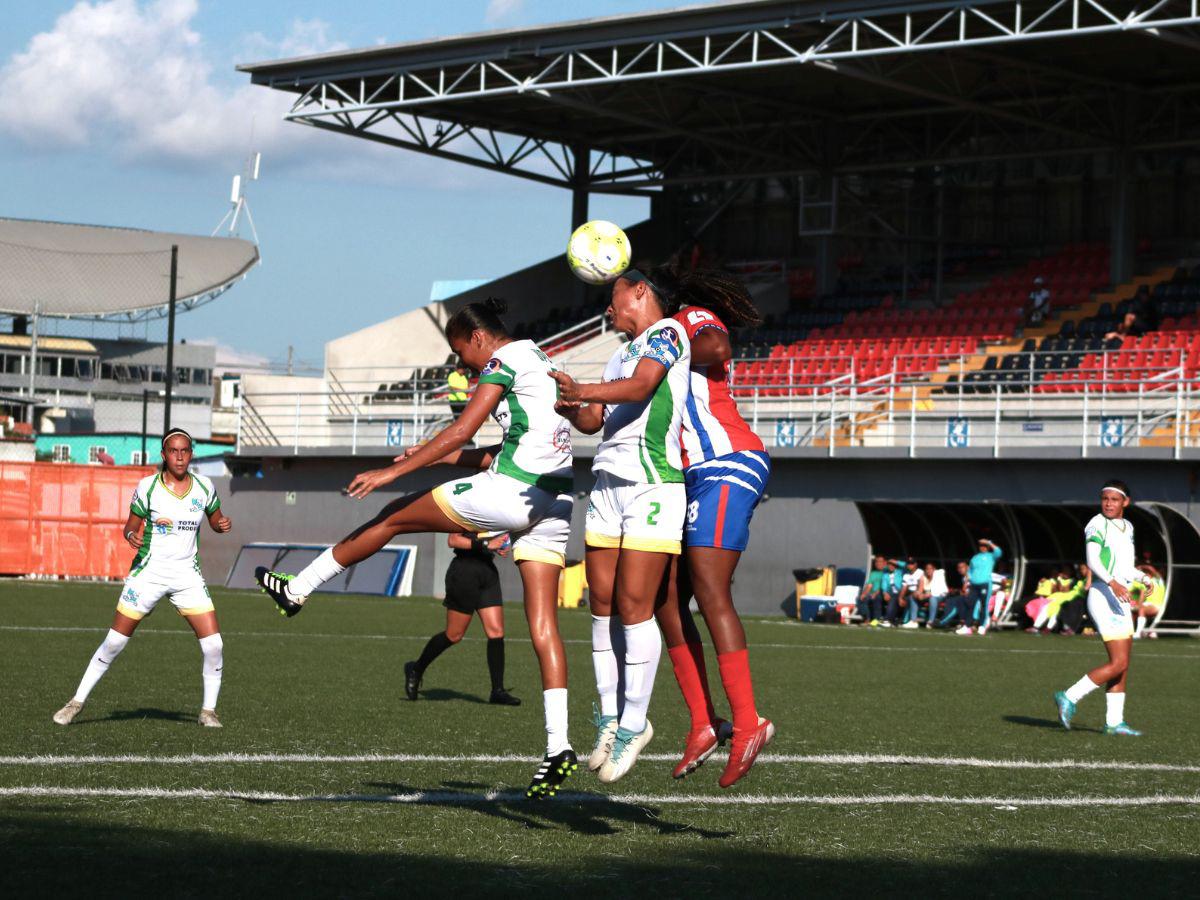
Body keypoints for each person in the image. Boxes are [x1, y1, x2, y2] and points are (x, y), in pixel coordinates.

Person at [255, 297, 579, 799]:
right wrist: (443, 459)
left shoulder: (502, 360)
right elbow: (500, 447)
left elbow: (462, 428)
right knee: (543, 625)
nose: (464, 367)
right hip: (555, 499)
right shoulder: (541, 357)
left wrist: (395, 471)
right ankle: (558, 747)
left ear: (478, 337)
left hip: (513, 492)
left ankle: (297, 589)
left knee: (392, 515)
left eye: (462, 354)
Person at [550, 266, 694, 785]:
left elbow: (642, 386)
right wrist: (573, 405)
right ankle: (610, 720)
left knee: (635, 605)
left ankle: (636, 723)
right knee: (602, 603)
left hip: (652, 484)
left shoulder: (669, 332)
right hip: (607, 484)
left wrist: (587, 387)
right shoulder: (618, 353)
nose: (608, 308)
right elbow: (597, 420)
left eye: (614, 296)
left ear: (640, 291)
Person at [644, 265, 775, 788]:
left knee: (710, 588)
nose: (610, 309)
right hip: (689, 474)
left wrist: (667, 354)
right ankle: (704, 722)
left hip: (726, 461)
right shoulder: (648, 346)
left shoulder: (687, 319)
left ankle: (749, 723)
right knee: (665, 598)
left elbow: (718, 347)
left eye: (620, 297)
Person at [52, 429, 231, 727]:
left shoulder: (204, 486)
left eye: (185, 451)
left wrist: (221, 523)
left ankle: (208, 711)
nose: (179, 456)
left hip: (187, 576)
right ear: (164, 455)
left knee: (214, 645)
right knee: (114, 641)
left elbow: (215, 519)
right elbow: (130, 527)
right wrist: (131, 536)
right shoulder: (148, 487)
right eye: (173, 451)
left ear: (191, 454)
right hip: (149, 574)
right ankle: (76, 702)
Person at [1055, 479, 1149, 735]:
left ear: (1125, 502)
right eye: (1105, 498)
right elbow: (1093, 560)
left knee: (1123, 664)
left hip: (1119, 597)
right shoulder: (1096, 523)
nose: (1108, 503)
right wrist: (1112, 582)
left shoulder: (1128, 527)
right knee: (1118, 662)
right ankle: (1069, 696)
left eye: (1114, 499)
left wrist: (1143, 578)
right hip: (1103, 595)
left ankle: (1114, 722)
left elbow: (1125, 566)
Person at [403, 532, 521, 706]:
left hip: (487, 571)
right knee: (454, 635)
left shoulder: (492, 515)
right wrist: (487, 544)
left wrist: (499, 546)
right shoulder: (464, 514)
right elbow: (453, 540)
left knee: (496, 633)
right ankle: (416, 668)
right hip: (464, 572)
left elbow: (488, 536)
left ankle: (497, 691)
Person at [956, 539, 1001, 635]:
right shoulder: (975, 558)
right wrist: (966, 583)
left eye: (985, 546)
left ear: (988, 547)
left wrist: (989, 542)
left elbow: (998, 552)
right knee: (970, 604)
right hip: (973, 585)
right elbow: (970, 571)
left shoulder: (991, 556)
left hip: (985, 583)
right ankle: (967, 627)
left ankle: (982, 626)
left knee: (984, 605)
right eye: (981, 546)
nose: (983, 547)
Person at [891, 558, 928, 629]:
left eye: (911, 564)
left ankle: (911, 621)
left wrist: (918, 593)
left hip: (921, 594)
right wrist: (900, 598)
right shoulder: (906, 575)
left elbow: (921, 585)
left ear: (915, 564)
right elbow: (904, 588)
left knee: (911, 598)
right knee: (898, 598)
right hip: (910, 594)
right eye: (908, 564)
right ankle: (895, 620)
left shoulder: (920, 572)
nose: (909, 565)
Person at [1132, 561, 1165, 639]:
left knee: (1142, 609)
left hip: (1156, 606)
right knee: (1133, 611)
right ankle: (1146, 631)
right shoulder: (1145, 583)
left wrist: (1141, 566)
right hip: (1148, 605)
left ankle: (1138, 633)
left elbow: (1151, 569)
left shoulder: (1158, 580)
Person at [858, 555, 887, 626]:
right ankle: (867, 619)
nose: (878, 563)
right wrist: (864, 594)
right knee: (861, 598)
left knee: (877, 598)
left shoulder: (886, 572)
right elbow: (869, 585)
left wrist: (875, 593)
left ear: (884, 563)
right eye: (876, 561)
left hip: (882, 593)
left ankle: (876, 620)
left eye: (880, 561)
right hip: (872, 593)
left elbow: (884, 586)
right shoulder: (873, 573)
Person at [878, 559, 904, 628]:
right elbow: (884, 585)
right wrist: (885, 593)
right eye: (889, 565)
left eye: (893, 565)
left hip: (900, 592)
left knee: (893, 599)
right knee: (880, 598)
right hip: (891, 593)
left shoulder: (900, 572)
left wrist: (896, 561)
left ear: (895, 566)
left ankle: (887, 619)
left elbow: (905, 565)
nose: (891, 566)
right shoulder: (885, 575)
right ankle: (879, 619)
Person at [924, 562, 949, 628]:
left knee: (932, 598)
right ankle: (912, 620)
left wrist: (929, 594)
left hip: (941, 595)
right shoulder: (924, 578)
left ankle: (931, 621)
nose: (928, 570)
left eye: (930, 568)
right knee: (912, 598)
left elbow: (942, 571)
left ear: (934, 569)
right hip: (928, 596)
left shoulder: (938, 574)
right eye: (927, 569)